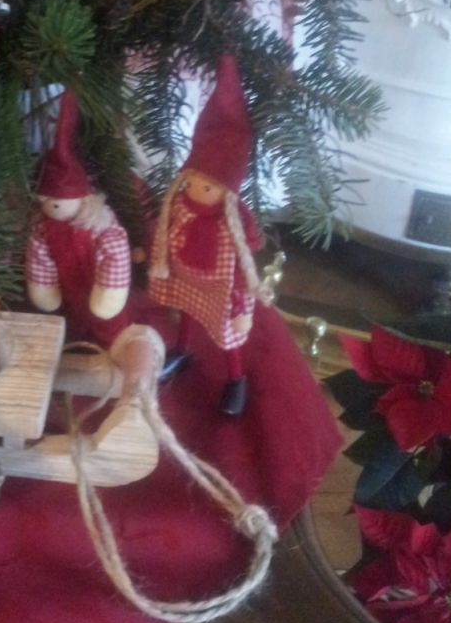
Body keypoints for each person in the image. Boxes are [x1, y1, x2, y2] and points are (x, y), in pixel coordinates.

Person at [149, 55, 271, 415]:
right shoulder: (179, 203)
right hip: (186, 275)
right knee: (187, 310)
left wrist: (243, 308)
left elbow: (244, 270)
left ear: (227, 189)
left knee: (227, 334)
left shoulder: (234, 223)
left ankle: (236, 377)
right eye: (193, 181)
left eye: (208, 186)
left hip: (221, 290)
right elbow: (166, 230)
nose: (196, 190)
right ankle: (181, 350)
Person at [26, 91, 132, 348]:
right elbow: (39, 259)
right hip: (70, 291)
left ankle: (114, 345)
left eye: (60, 199)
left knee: (110, 325)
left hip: (101, 287)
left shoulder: (101, 225)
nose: (53, 206)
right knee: (74, 321)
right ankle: (77, 341)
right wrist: (44, 288)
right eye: (47, 199)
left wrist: (109, 294)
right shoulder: (42, 228)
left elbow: (116, 256)